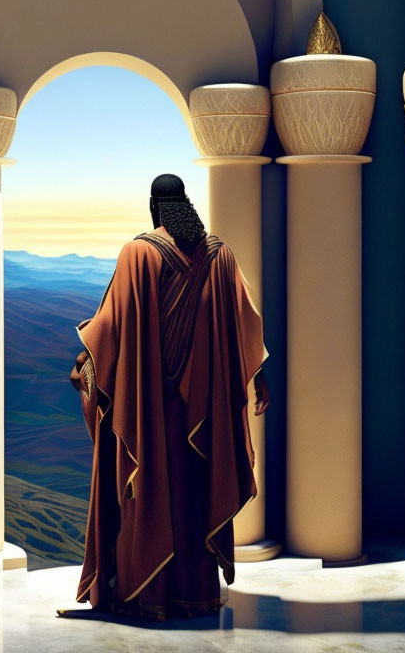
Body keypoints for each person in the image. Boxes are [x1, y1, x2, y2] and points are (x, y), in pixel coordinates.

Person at [58, 173, 269, 621]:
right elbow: (245, 326)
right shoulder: (220, 255)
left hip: (149, 411)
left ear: (155, 206)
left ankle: (147, 598)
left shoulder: (138, 252)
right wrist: (258, 379)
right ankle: (196, 596)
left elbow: (110, 326)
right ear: (185, 204)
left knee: (146, 496)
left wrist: (86, 365)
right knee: (195, 497)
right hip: (202, 415)